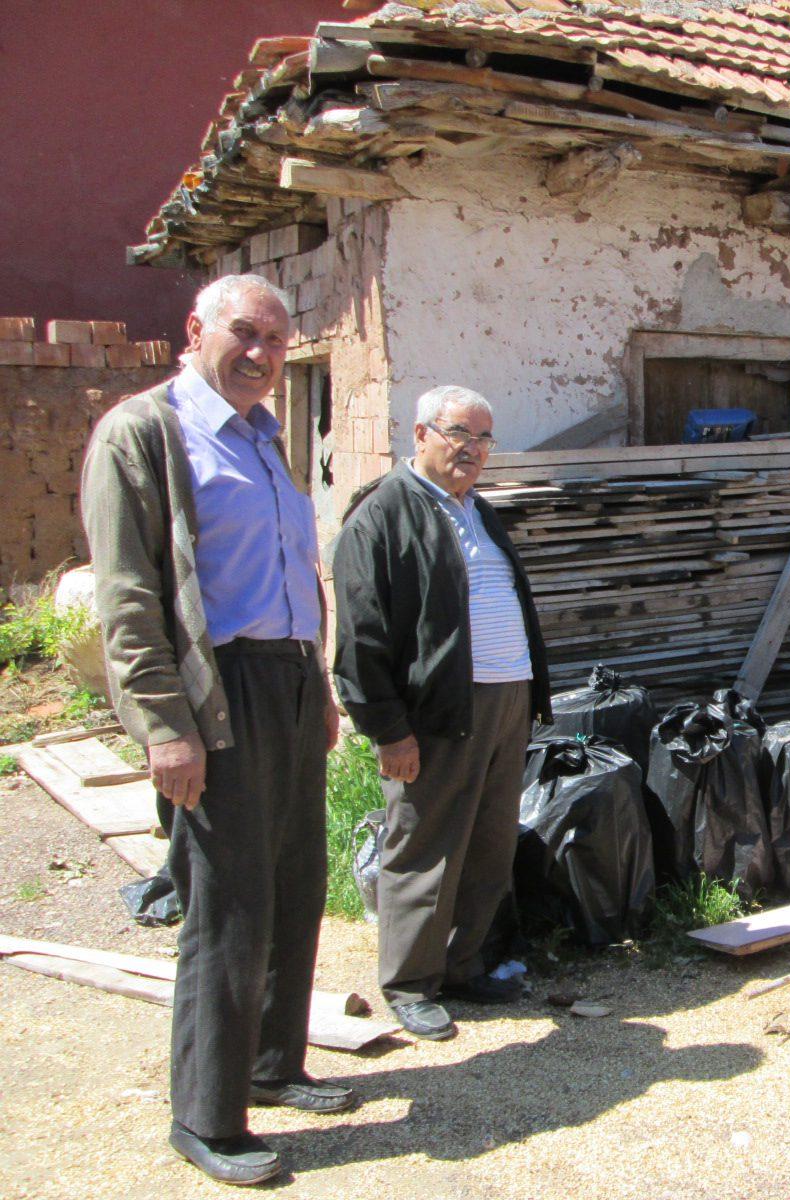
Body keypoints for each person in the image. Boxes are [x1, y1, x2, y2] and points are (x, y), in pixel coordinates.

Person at [82, 275, 351, 1187]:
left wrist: (316, 687)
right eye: (245, 334)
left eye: (277, 342)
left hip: (282, 678)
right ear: (195, 330)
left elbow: (289, 575)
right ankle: (206, 1115)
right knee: (228, 907)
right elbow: (127, 601)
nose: (263, 355)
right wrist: (165, 727)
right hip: (215, 689)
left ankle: (273, 1067)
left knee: (295, 883)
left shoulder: (268, 438)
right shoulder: (145, 433)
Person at [332, 385, 553, 1041]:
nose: (474, 449)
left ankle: (462, 966)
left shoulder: (477, 511)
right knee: (423, 844)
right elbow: (359, 641)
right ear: (421, 435)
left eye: (484, 438)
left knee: (487, 843)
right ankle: (408, 982)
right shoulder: (382, 516)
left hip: (505, 699)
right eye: (460, 433)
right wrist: (388, 729)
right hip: (438, 712)